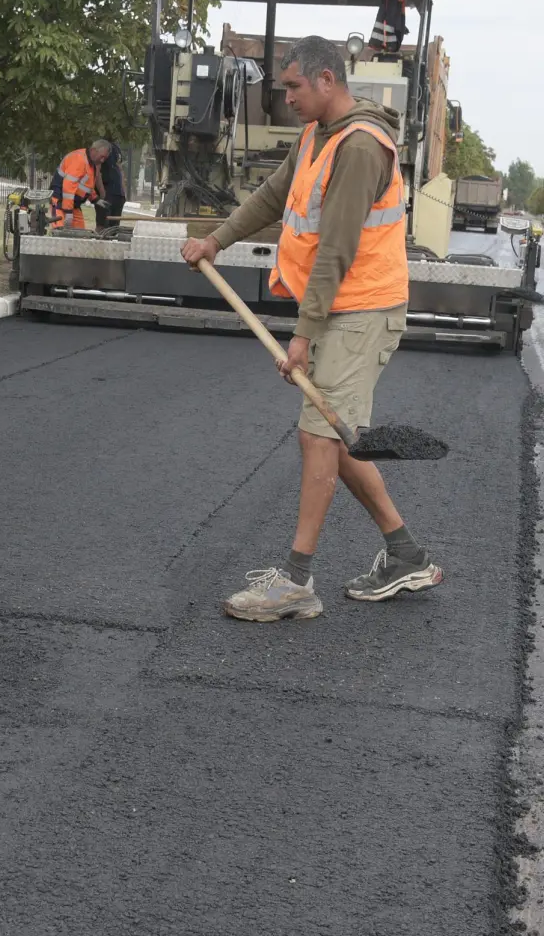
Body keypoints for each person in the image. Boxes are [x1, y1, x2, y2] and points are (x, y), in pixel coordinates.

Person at [180, 35, 442, 621]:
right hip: (341, 307)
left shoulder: (360, 146)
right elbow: (274, 197)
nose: (287, 96)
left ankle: (296, 581)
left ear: (328, 81)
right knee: (338, 434)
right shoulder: (316, 137)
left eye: (294, 86)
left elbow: (336, 251)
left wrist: (301, 335)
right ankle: (406, 553)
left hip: (363, 307)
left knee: (316, 435)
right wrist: (215, 241)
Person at [50, 139, 112, 230]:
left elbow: (87, 186)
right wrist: (68, 212)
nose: (102, 160)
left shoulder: (91, 164)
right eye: (102, 157)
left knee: (81, 235)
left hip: (73, 205)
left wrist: (96, 199)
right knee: (60, 233)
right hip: (59, 203)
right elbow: (68, 188)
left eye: (105, 158)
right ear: (93, 150)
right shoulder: (79, 160)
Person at [94, 140, 127, 232]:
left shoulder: (116, 148)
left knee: (114, 228)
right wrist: (102, 193)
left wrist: (123, 192)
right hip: (107, 193)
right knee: (102, 225)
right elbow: (97, 171)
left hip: (118, 194)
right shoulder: (102, 147)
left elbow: (120, 169)